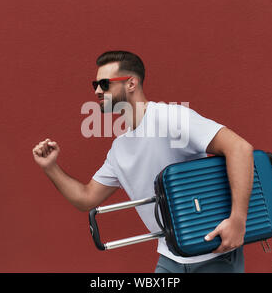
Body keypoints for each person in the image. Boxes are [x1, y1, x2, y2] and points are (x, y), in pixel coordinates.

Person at [32, 50, 254, 273]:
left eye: (104, 83)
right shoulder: (119, 148)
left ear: (131, 83)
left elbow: (239, 148)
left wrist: (237, 221)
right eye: (95, 84)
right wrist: (51, 167)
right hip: (171, 256)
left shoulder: (169, 118)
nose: (98, 90)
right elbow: (86, 198)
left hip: (214, 254)